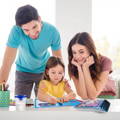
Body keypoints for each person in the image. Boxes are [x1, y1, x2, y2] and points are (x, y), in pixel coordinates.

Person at [0, 5, 62, 98]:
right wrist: (1, 86)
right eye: (26, 30)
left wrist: (59, 83)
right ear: (20, 28)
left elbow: (58, 61)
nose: (32, 33)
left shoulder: (53, 32)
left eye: (34, 27)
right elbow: (7, 62)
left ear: (39, 20)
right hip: (23, 72)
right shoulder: (16, 31)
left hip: (44, 72)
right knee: (21, 105)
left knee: (45, 105)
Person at [68, 32, 116, 100]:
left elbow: (93, 96)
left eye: (81, 52)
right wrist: (80, 69)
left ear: (90, 50)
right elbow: (83, 96)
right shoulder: (74, 65)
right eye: (74, 52)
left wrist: (85, 68)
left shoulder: (105, 61)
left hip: (106, 98)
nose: (77, 56)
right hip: (88, 101)